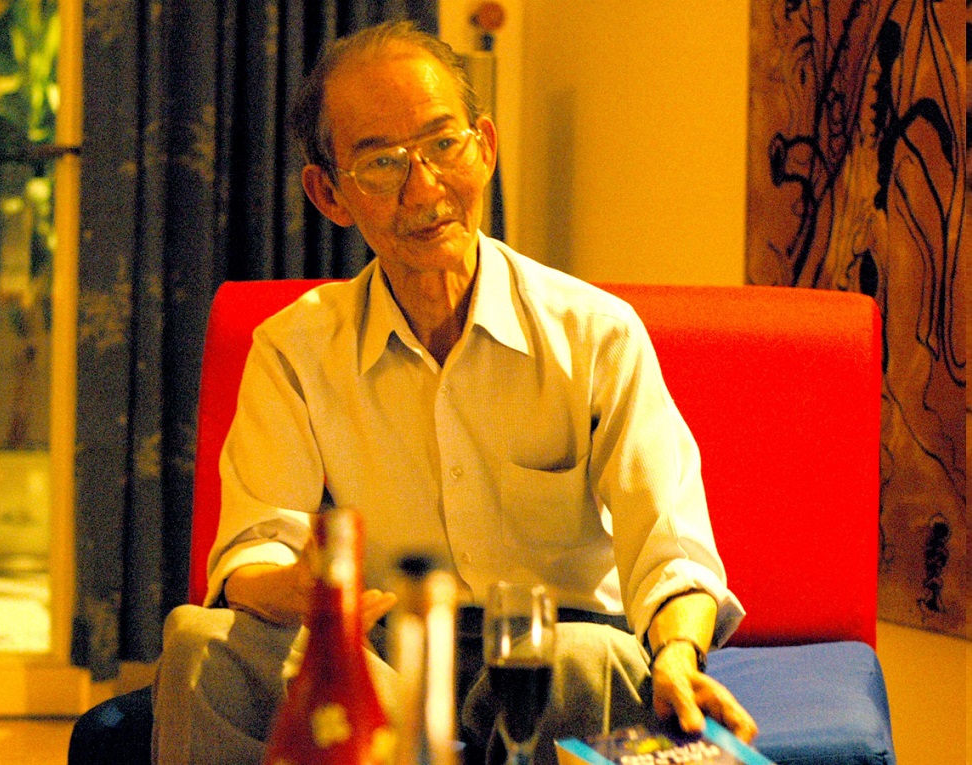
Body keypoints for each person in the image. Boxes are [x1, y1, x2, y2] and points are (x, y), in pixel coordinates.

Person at [152, 21, 757, 765]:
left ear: (486, 147)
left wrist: (678, 654)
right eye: (381, 162)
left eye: (444, 145)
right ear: (329, 193)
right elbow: (252, 553)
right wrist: (302, 587)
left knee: (592, 659)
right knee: (200, 641)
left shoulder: (596, 333)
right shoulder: (294, 348)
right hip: (382, 651)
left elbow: (673, 550)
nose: (425, 188)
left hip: (554, 648)